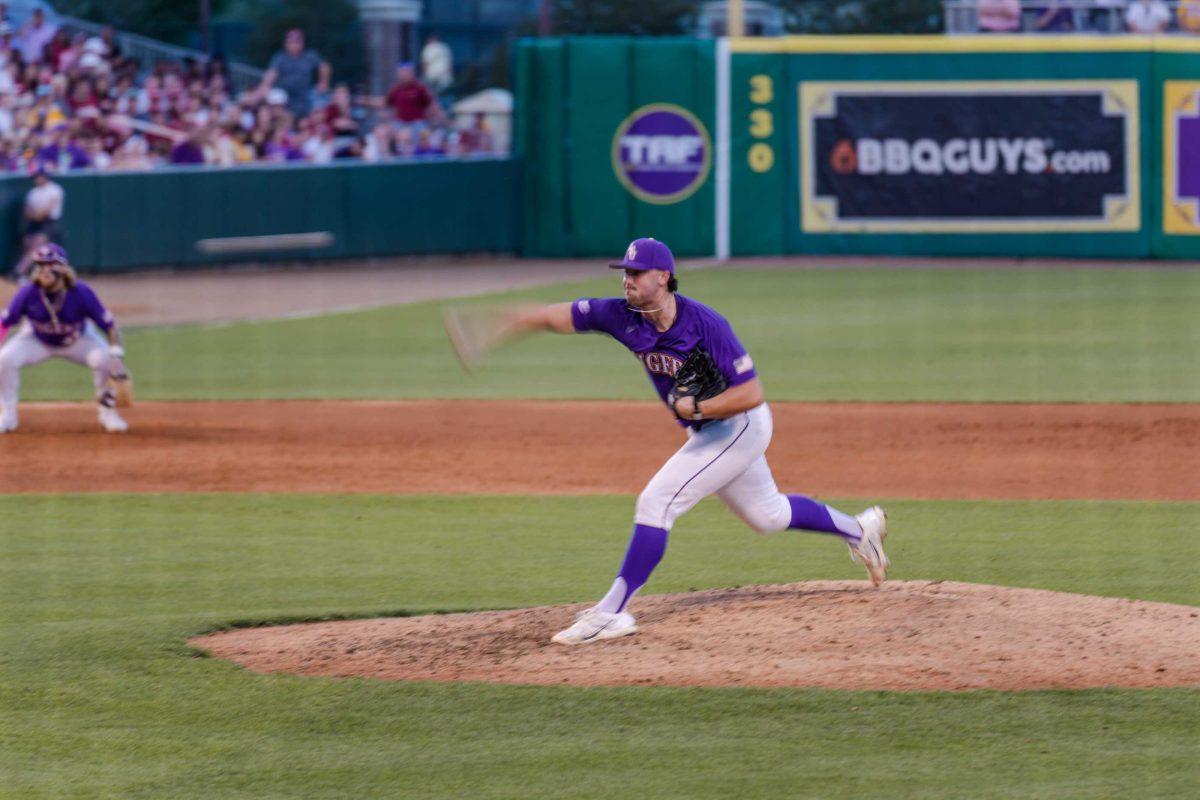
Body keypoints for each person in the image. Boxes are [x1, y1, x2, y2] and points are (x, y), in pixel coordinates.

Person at [448, 238, 890, 645]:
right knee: (768, 516)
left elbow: (751, 393)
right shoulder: (620, 315)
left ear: (663, 277)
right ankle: (860, 530)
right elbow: (549, 316)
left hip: (741, 425)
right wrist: (492, 327)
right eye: (624, 272)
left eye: (636, 273)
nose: (627, 280)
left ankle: (612, 613)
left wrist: (696, 410)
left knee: (656, 502)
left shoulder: (706, 324)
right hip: (712, 430)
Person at [0, 244, 130, 433]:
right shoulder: (28, 292)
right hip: (37, 340)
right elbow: (5, 322)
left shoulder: (81, 292)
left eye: (50, 264)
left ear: (63, 268)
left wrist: (116, 355)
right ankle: (8, 415)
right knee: (4, 359)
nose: (44, 270)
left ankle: (107, 414)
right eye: (40, 265)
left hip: (78, 340)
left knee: (105, 360)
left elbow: (110, 326)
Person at [255, 29, 330, 119]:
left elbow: (324, 66)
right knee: (270, 99)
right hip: (284, 94)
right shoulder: (280, 57)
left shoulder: (309, 55)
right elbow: (272, 72)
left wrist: (323, 82)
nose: (293, 45)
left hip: (304, 94)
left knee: (321, 101)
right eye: (290, 42)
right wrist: (265, 85)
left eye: (296, 42)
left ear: (302, 43)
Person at [14, 166, 63, 279]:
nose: (36, 179)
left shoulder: (55, 189)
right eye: (35, 177)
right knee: (27, 247)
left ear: (45, 176)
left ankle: (18, 271)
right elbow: (27, 209)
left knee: (35, 247)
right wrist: (33, 215)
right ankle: (28, 275)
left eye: (38, 176)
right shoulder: (33, 192)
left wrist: (37, 215)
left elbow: (48, 209)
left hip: (48, 223)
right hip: (33, 223)